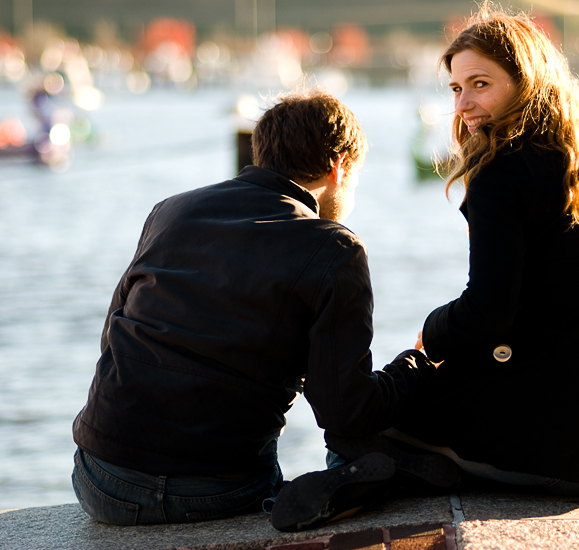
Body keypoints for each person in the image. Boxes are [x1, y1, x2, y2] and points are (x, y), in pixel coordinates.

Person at [71, 87, 456, 528]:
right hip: (216, 489)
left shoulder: (170, 211)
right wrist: (416, 366)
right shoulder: (335, 248)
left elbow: (112, 335)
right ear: (340, 168)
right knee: (355, 435)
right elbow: (344, 410)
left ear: (262, 152)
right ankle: (355, 480)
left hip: (100, 479)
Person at [381, 5, 579, 494]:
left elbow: (486, 313)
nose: (462, 105)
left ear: (529, 80)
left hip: (555, 444)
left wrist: (430, 333)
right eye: (456, 88)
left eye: (480, 84)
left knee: (370, 417)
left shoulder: (503, 168)